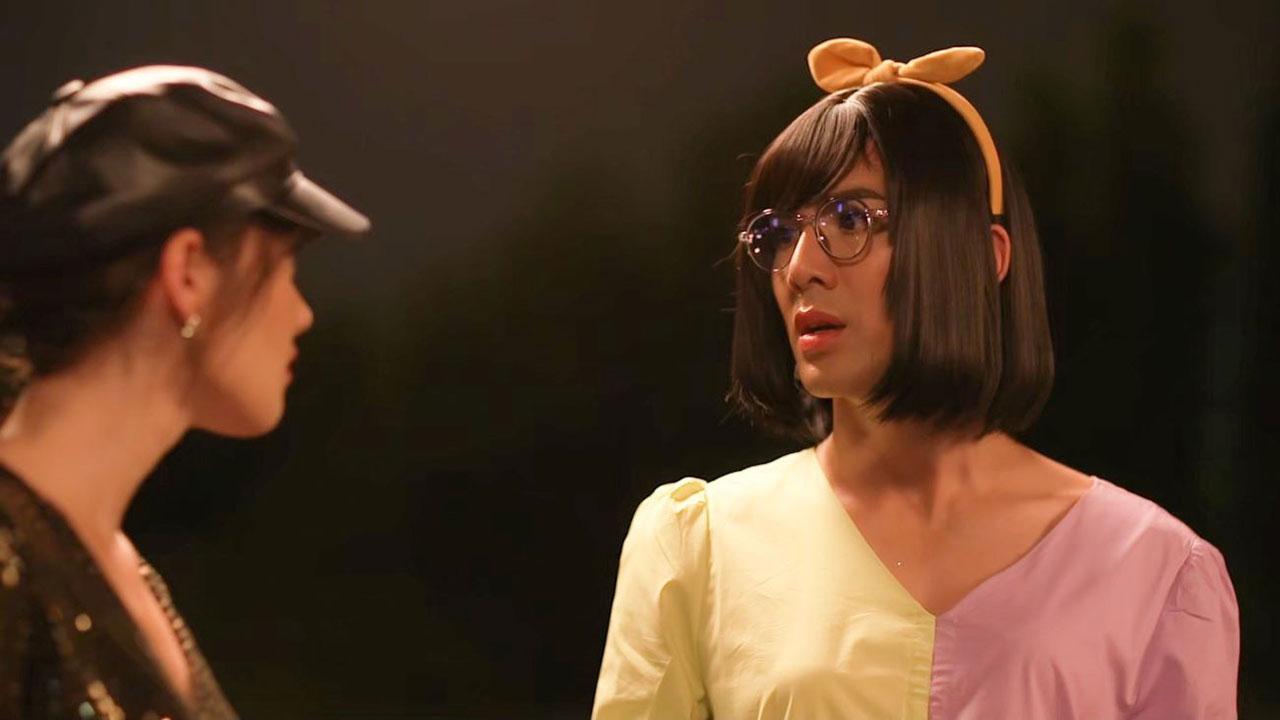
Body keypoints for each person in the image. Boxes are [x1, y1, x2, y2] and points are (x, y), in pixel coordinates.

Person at [593, 38, 1239, 719]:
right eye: (778, 233)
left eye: (849, 219)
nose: (800, 268)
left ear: (983, 255)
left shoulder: (1154, 572)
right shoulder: (700, 549)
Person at [0, 66, 369, 719]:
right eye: (284, 265)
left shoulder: (116, 565)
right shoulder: (15, 568)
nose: (302, 313)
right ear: (189, 271)